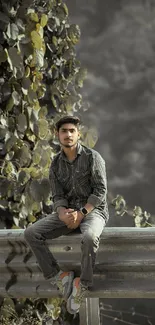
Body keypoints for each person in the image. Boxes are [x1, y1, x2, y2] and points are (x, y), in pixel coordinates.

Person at [24, 115, 109, 314]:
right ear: (57, 135)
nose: (68, 134)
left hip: (93, 211)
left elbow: (100, 191)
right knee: (31, 233)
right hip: (69, 213)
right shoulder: (55, 164)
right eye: (64, 131)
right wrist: (62, 213)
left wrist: (81, 214)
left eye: (72, 131)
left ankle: (82, 285)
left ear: (78, 134)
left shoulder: (93, 157)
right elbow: (58, 195)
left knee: (89, 237)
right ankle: (59, 277)